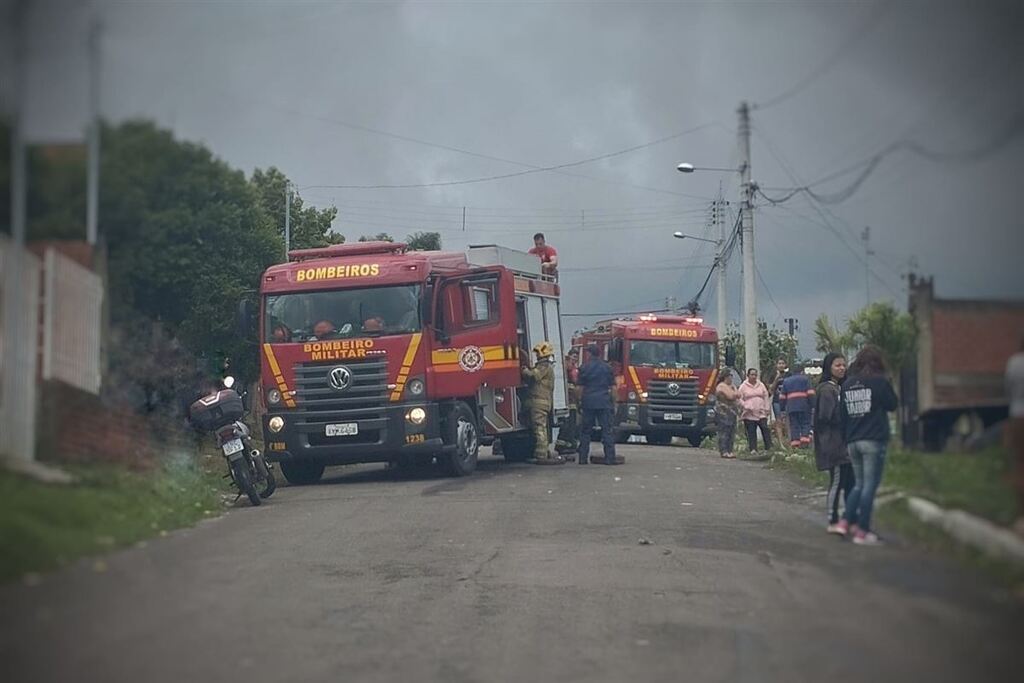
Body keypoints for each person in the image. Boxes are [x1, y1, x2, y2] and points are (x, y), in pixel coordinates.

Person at [835, 345, 899, 546]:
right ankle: (863, 530)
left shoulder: (847, 384)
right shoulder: (879, 383)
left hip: (853, 441)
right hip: (873, 439)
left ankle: (845, 522)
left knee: (859, 484)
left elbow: (842, 416)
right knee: (869, 486)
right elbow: (892, 404)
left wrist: (845, 439)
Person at [814, 352, 854, 535]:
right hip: (833, 443)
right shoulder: (827, 390)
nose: (841, 368)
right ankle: (832, 518)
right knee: (837, 481)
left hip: (843, 443)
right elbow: (825, 416)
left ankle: (847, 518)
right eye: (837, 365)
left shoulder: (839, 388)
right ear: (829, 367)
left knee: (848, 482)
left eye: (843, 365)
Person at [522, 341, 563, 465]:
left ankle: (541, 455)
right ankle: (543, 452)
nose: (537, 356)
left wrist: (524, 370)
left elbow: (535, 376)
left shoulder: (544, 366)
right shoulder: (546, 366)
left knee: (539, 428)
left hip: (539, 403)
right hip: (541, 402)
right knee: (541, 428)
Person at [577, 344, 619, 465]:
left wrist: (579, 401)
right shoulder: (607, 368)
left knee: (585, 432)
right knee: (607, 431)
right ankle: (610, 458)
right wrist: (614, 403)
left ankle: (583, 458)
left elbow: (580, 388)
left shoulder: (584, 368)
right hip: (604, 402)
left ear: (590, 353)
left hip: (588, 403)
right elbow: (613, 388)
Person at [1005, 336, 1024, 537]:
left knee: (1019, 464)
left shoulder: (1014, 363)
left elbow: (1008, 389)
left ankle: (1021, 516)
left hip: (1018, 416)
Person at [555, 349, 581, 458]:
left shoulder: (575, 368)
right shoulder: (567, 367)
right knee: (567, 425)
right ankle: (562, 446)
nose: (575, 358)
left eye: (576, 357)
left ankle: (569, 445)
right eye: (573, 356)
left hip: (573, 401)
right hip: (567, 401)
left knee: (572, 425)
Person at [738, 368, 772, 453]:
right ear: (748, 375)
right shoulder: (743, 386)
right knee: (751, 431)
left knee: (765, 428)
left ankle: (769, 448)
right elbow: (739, 398)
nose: (754, 377)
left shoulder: (761, 385)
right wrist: (746, 406)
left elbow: (766, 396)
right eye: (752, 375)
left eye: (755, 375)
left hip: (761, 411)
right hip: (749, 413)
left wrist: (767, 408)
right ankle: (753, 449)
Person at [780, 364, 814, 448]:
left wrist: (782, 408)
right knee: (805, 424)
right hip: (804, 406)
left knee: (794, 425)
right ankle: (804, 443)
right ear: (802, 371)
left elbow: (782, 397)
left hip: (791, 407)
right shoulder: (806, 379)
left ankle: (795, 445)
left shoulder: (786, 381)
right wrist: (813, 405)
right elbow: (810, 393)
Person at [715, 372, 740, 459]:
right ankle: (724, 450)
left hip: (732, 412)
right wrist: (734, 392)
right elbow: (731, 396)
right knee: (724, 431)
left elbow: (738, 395)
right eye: (729, 377)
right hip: (723, 412)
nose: (731, 379)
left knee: (731, 432)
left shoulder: (732, 386)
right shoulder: (721, 386)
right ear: (725, 377)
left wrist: (734, 389)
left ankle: (730, 450)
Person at [768, 358, 790, 448]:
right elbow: (771, 389)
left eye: (783, 363)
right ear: (776, 365)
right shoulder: (773, 375)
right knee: (779, 421)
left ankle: (789, 441)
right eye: (779, 363)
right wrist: (776, 379)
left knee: (788, 421)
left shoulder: (788, 375)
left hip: (787, 400)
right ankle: (781, 443)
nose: (781, 365)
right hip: (777, 400)